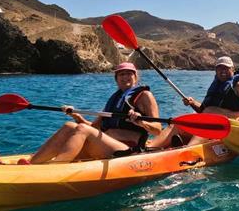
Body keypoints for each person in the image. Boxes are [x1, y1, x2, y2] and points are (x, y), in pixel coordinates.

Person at [24, 62, 166, 164]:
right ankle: (31, 163)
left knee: (81, 129)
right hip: (107, 144)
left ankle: (57, 168)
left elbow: (158, 130)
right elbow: (93, 127)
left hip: (128, 149)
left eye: (129, 73)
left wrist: (141, 121)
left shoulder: (145, 95)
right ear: (116, 79)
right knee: (69, 125)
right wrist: (77, 117)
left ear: (136, 77)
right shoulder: (115, 98)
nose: (125, 77)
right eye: (121, 74)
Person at [182, 56, 239, 124]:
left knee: (209, 112)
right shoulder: (216, 85)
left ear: (233, 69)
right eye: (219, 68)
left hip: (230, 123)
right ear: (215, 70)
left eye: (226, 68)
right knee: (176, 125)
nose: (223, 70)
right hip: (211, 121)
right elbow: (203, 110)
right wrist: (193, 103)